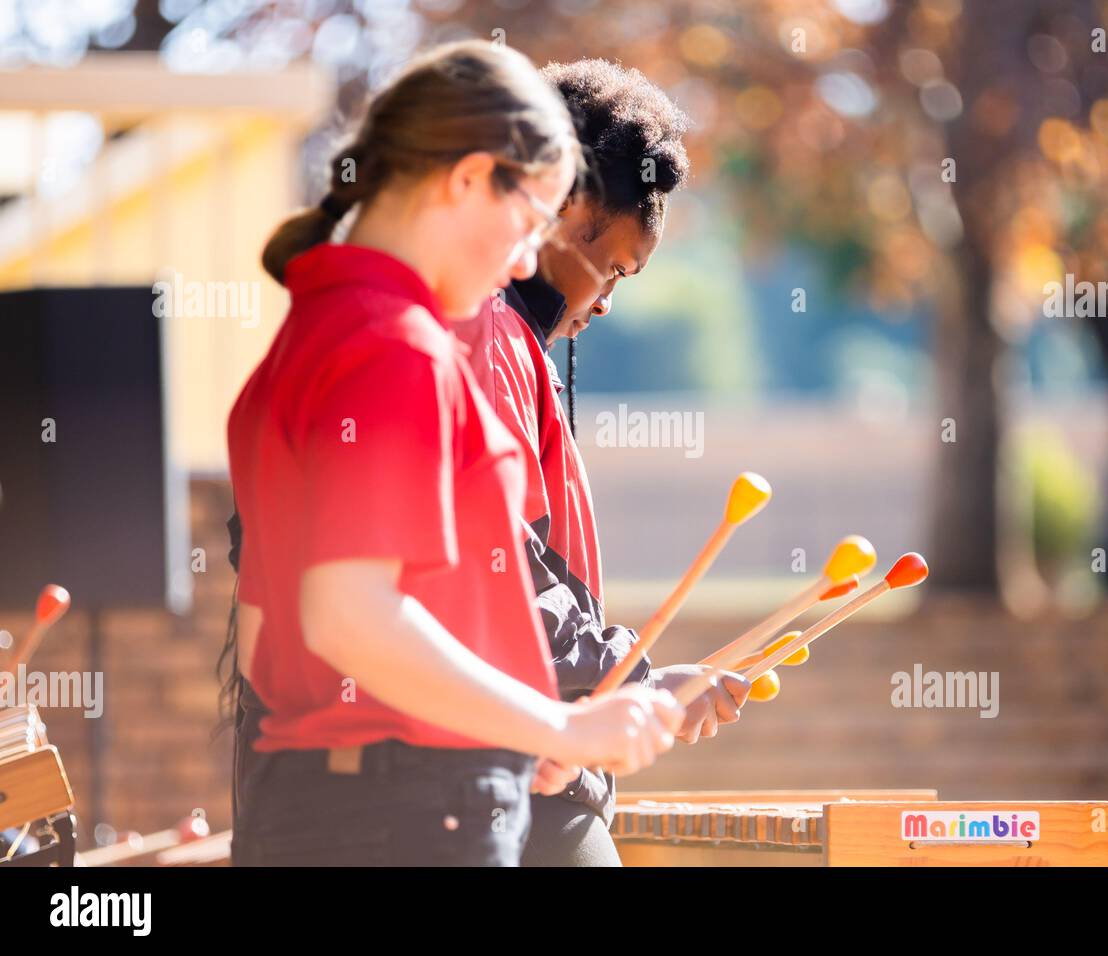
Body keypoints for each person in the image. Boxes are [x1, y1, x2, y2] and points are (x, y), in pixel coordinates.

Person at [224, 41, 682, 867]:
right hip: (412, 818)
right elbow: (350, 614)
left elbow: (266, 640)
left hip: (302, 808)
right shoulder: (398, 346)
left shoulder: (303, 339)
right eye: (529, 226)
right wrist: (558, 723)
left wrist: (506, 722)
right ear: (471, 179)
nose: (522, 264)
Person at [454, 59, 749, 867]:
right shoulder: (483, 332)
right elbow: (495, 569)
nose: (607, 302)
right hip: (507, 787)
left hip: (525, 765)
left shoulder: (499, 336)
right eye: (616, 268)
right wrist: (628, 680)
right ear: (572, 202)